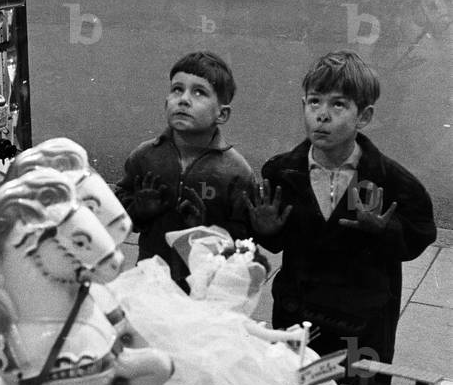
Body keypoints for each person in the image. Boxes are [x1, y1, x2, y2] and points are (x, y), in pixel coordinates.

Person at [246, 50, 437, 363]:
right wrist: (265, 230)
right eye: (314, 102)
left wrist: (384, 231)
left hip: (361, 325)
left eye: (338, 104)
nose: (322, 115)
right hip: (299, 316)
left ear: (364, 116)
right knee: (294, 383)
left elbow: (421, 233)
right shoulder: (282, 172)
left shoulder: (391, 180)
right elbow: (277, 240)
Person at [115, 51, 254, 289]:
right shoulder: (145, 157)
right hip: (150, 285)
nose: (184, 99)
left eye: (199, 92)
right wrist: (138, 210)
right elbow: (117, 216)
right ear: (165, 103)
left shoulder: (235, 171)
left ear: (222, 114)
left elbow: (245, 242)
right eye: (177, 89)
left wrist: (206, 230)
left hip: (208, 291)